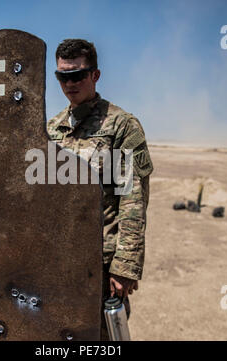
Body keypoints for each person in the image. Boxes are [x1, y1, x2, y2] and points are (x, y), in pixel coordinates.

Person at [47, 39, 153, 340]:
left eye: (78, 75)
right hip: (58, 259)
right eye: (62, 76)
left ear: (95, 75)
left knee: (100, 337)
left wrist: (125, 266)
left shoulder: (122, 126)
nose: (70, 83)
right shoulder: (50, 129)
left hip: (101, 263)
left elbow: (132, 199)